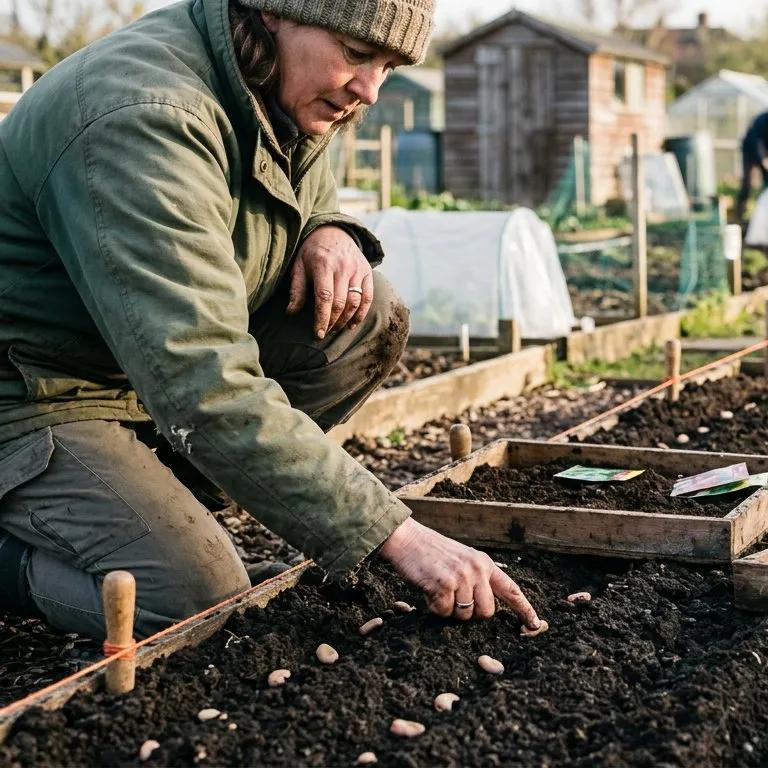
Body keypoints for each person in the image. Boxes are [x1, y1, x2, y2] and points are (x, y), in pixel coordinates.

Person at [0, 0, 541, 640]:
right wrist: (394, 533)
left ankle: (149, 514)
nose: (369, 90)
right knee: (194, 599)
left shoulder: (269, 81)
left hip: (126, 366)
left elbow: (301, 177)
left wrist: (328, 228)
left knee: (365, 317)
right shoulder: (146, 119)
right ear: (272, 13)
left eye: (390, 65)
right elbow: (204, 383)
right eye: (358, 54)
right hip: (34, 390)